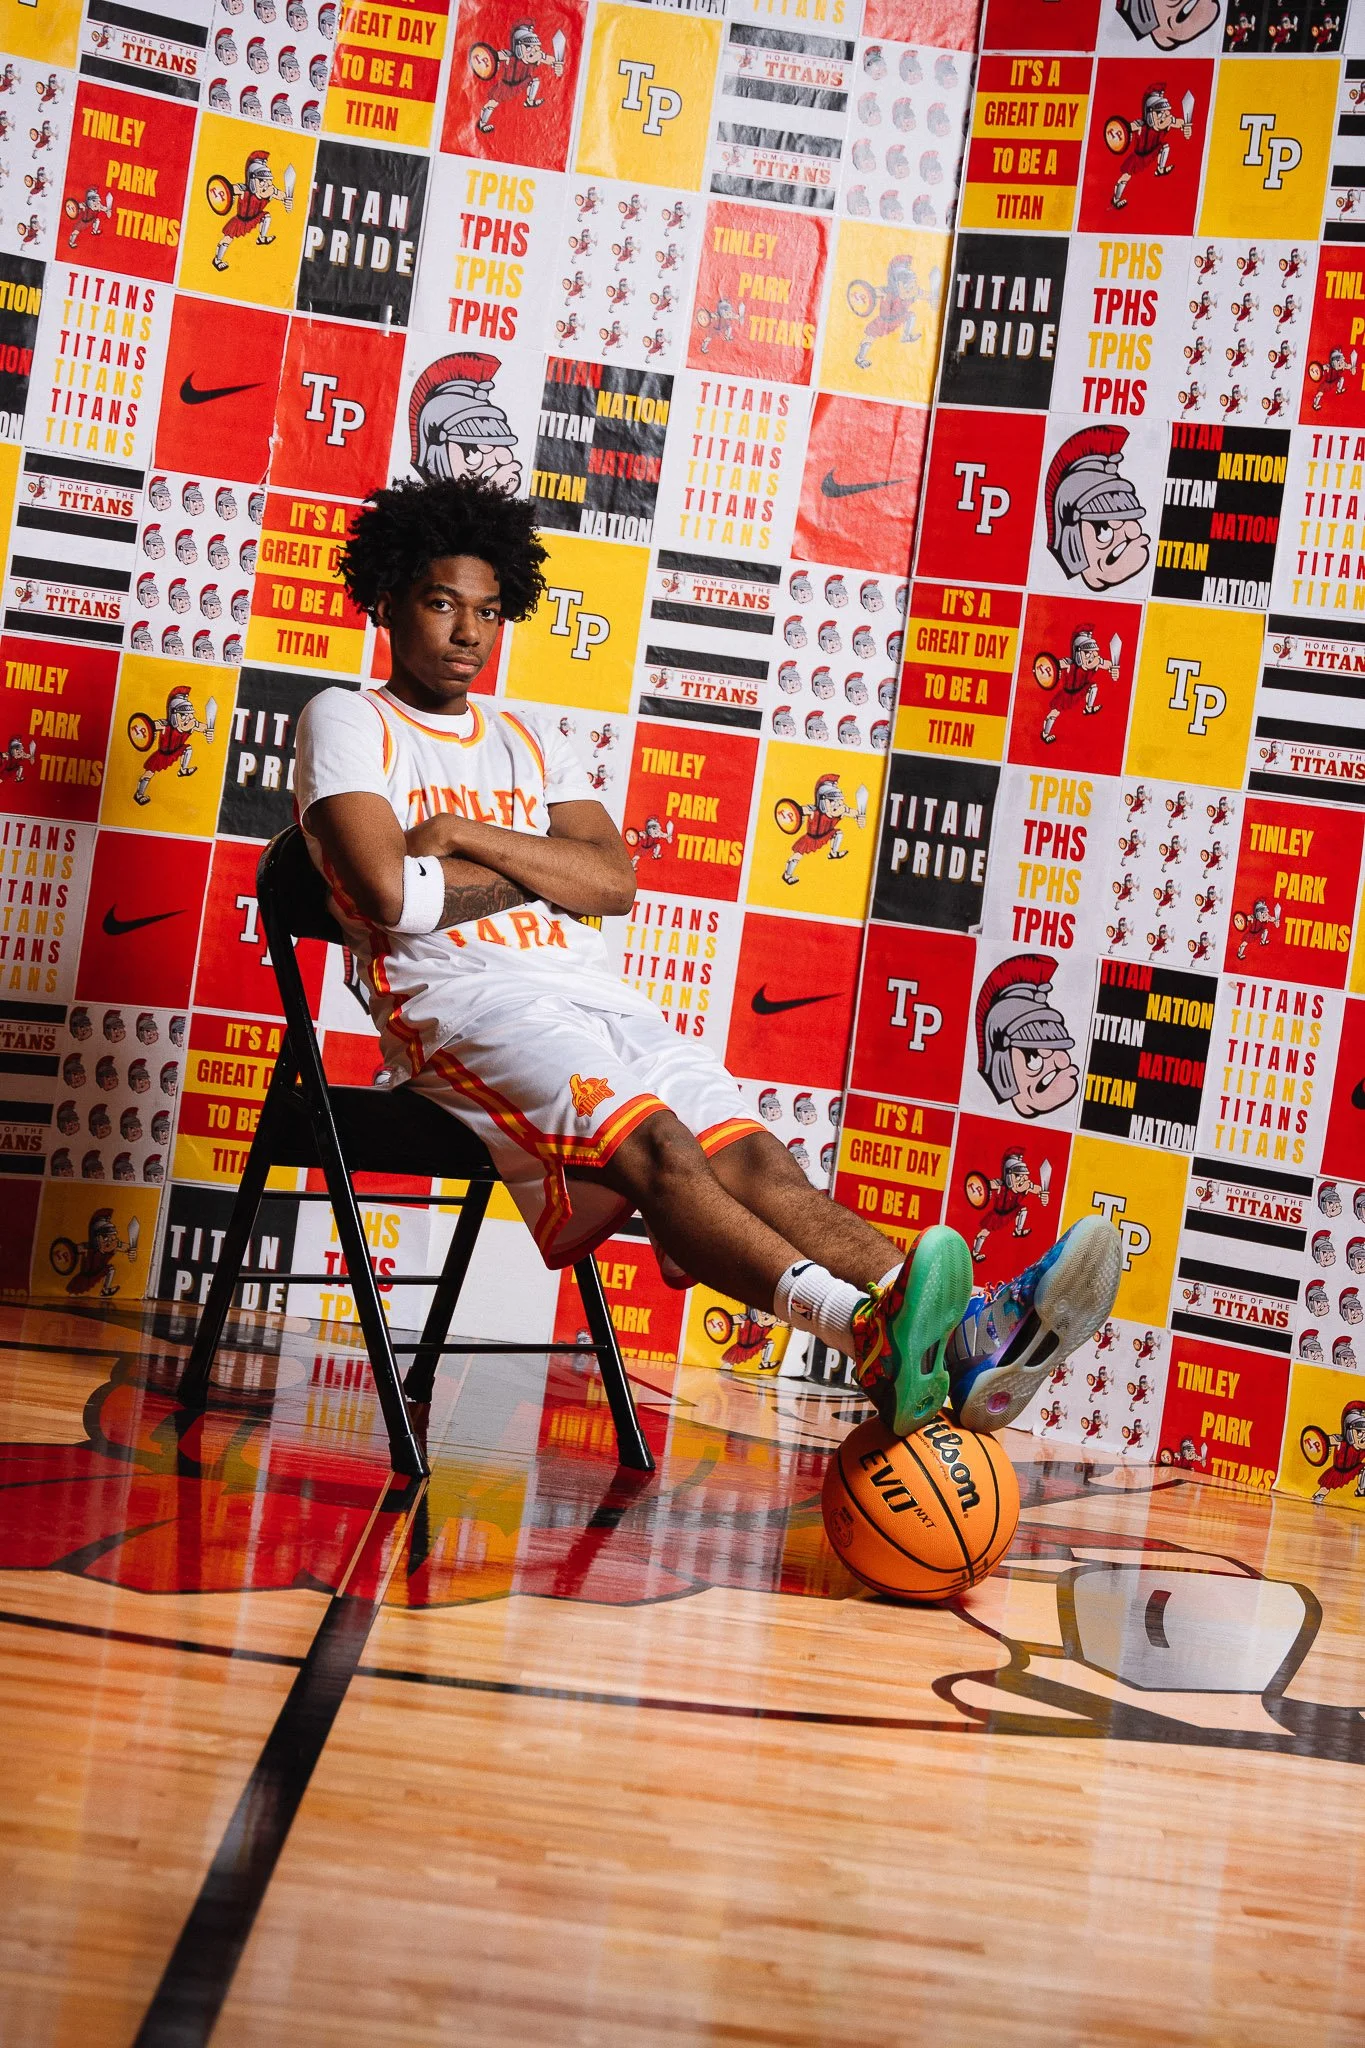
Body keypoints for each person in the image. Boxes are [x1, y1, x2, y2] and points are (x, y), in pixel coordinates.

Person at [294, 477, 1121, 1439]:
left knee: (759, 1159)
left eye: (486, 610)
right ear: (388, 597)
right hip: (468, 1014)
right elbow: (393, 898)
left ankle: (966, 1334)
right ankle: (863, 1334)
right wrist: (539, 872)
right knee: (661, 1149)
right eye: (440, 603)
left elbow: (611, 882)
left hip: (592, 1000)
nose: (466, 632)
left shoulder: (524, 741)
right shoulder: (347, 720)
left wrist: (464, 836)